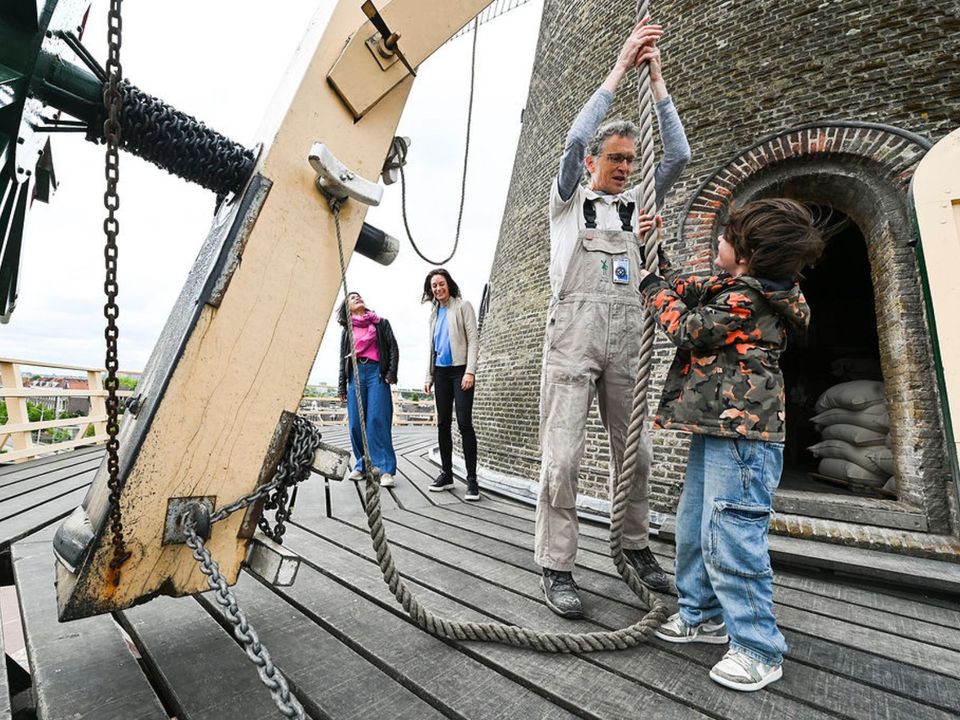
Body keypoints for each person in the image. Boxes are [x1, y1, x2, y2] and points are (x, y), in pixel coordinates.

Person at [536, 18, 691, 619]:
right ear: (596, 159)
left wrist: (657, 79)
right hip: (574, 334)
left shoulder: (638, 205)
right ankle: (556, 564)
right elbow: (572, 141)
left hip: (627, 334)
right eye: (618, 158)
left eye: (631, 159)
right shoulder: (570, 199)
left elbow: (676, 152)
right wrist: (622, 65)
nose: (627, 167)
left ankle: (634, 547)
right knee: (563, 457)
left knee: (640, 454)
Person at [640, 199, 825, 692]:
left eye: (724, 237)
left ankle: (758, 647)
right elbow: (689, 289)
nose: (716, 242)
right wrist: (655, 256)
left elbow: (688, 327)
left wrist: (650, 287)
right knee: (694, 524)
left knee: (732, 536)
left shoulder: (748, 299)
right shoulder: (733, 287)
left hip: (746, 437)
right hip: (717, 429)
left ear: (745, 254)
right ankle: (701, 614)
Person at [422, 268, 481, 501]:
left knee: (464, 422)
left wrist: (470, 371)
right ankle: (446, 474)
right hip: (442, 373)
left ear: (449, 284)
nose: (438, 288)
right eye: (434, 286)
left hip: (460, 372)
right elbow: (432, 347)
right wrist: (429, 376)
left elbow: (474, 340)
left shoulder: (463, 306)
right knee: (443, 423)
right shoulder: (434, 314)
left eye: (441, 284)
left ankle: (472, 480)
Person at [337, 291, 399, 488]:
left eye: (359, 296)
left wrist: (390, 373)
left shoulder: (380, 323)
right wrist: (341, 385)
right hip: (355, 373)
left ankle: (385, 469)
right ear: (347, 307)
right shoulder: (347, 330)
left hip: (376, 373)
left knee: (376, 420)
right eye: (353, 297)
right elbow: (342, 359)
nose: (358, 298)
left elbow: (393, 348)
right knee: (356, 422)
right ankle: (361, 464)